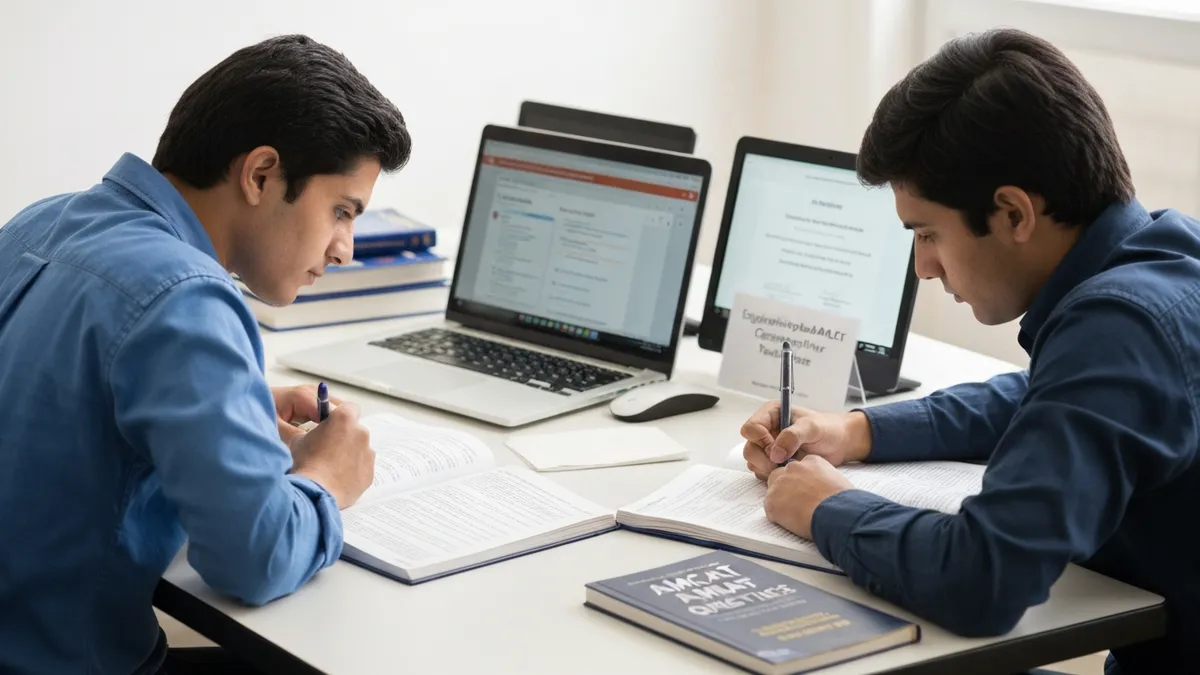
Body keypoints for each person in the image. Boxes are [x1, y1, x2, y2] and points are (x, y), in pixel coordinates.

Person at [739, 28, 1198, 675]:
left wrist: (824, 505)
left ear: (1013, 213)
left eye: (927, 233)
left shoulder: (1120, 327)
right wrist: (856, 429)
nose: (923, 266)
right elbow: (1042, 396)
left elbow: (980, 578)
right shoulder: (1168, 258)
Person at [0, 35, 411, 674]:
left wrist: (236, 404)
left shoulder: (42, 223)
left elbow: (56, 400)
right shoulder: (185, 297)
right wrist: (327, 480)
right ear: (261, 174)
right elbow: (252, 560)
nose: (344, 249)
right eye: (341, 211)